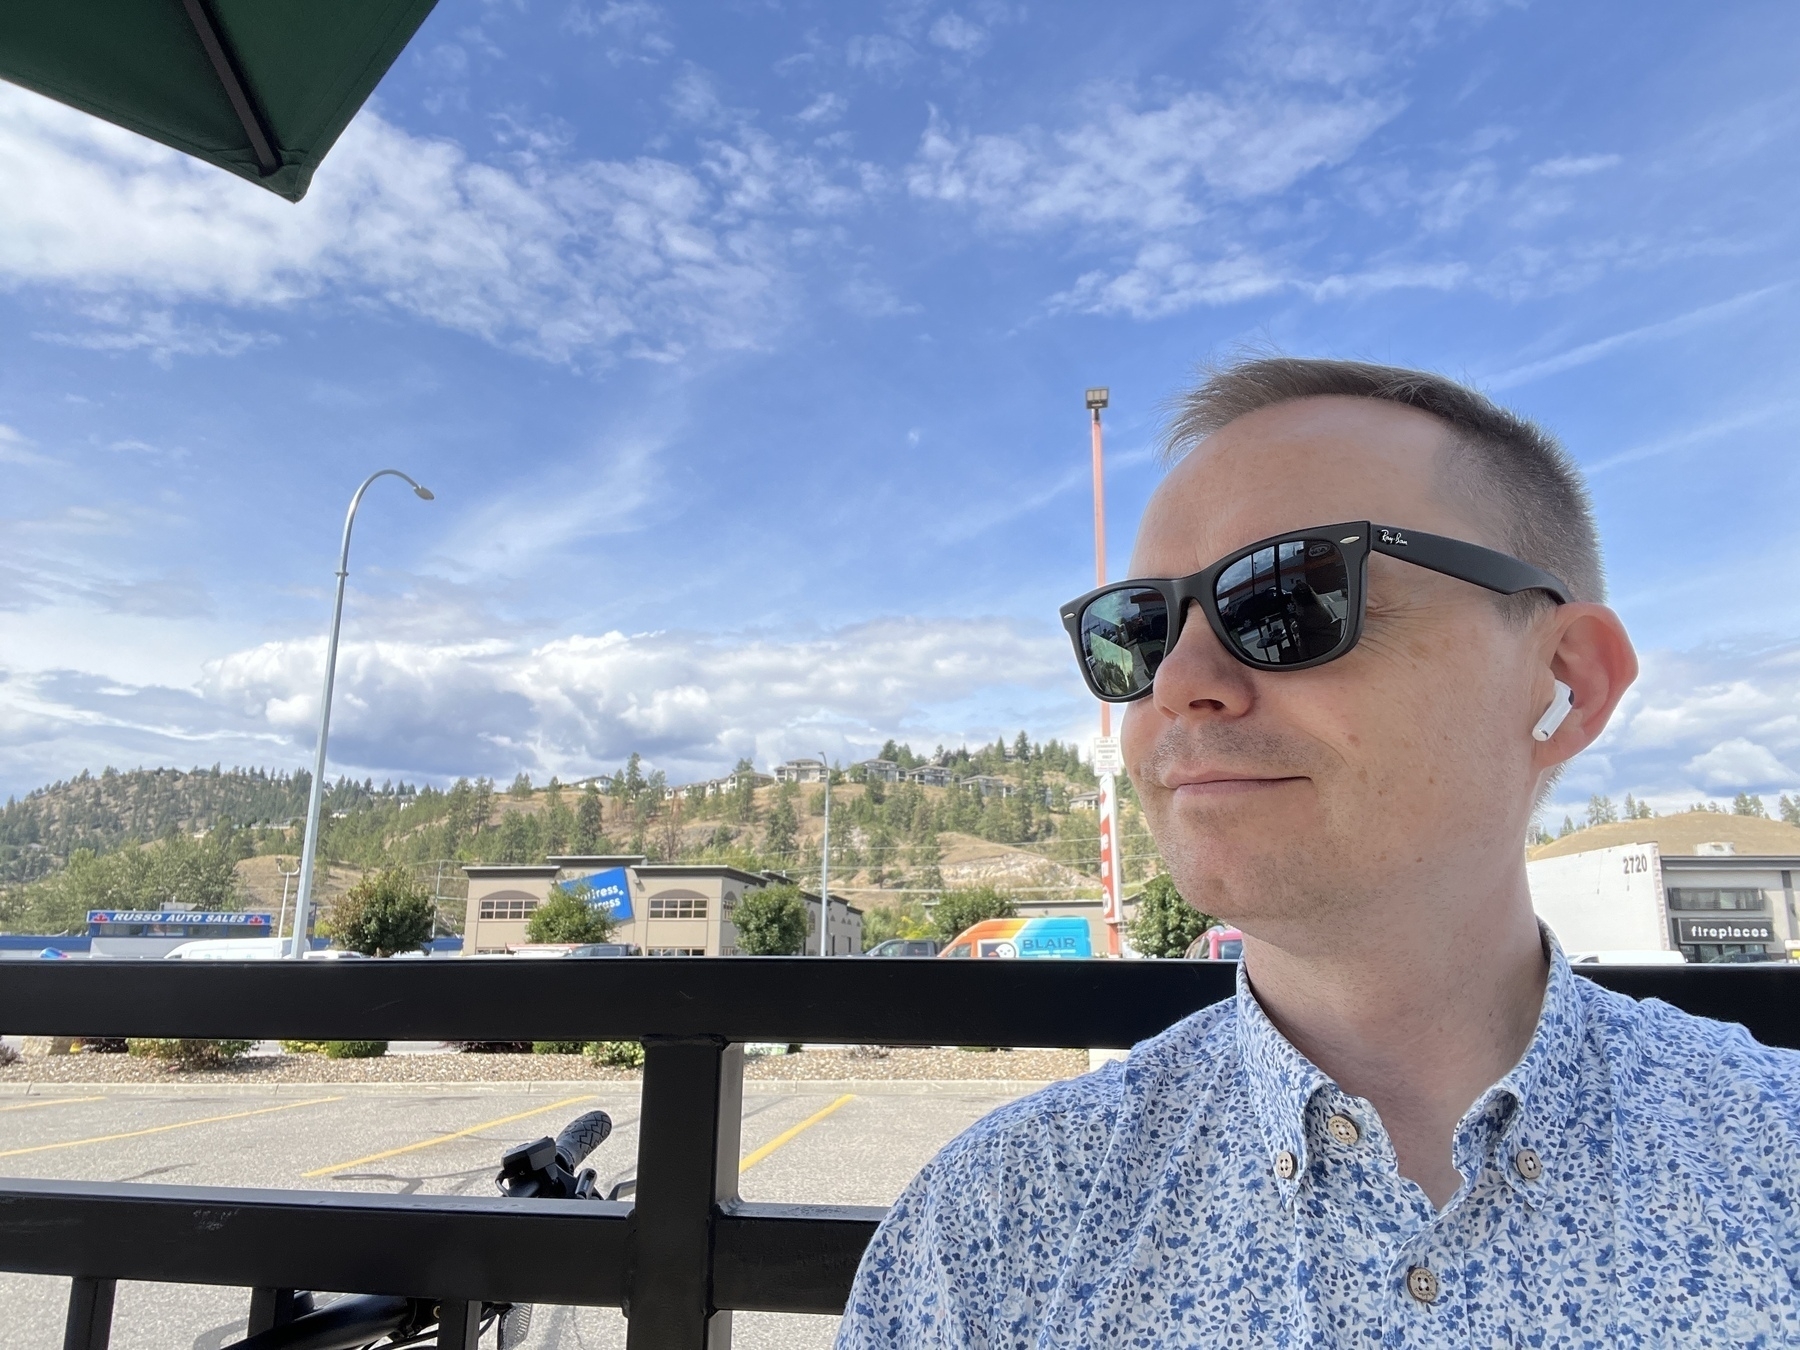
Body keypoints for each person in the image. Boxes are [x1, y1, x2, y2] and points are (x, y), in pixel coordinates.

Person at [837, 358, 1800, 1347]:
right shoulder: (992, 1229)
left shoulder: (1775, 1166)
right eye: (1141, 629)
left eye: (1288, 599)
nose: (1177, 684)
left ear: (1563, 679)